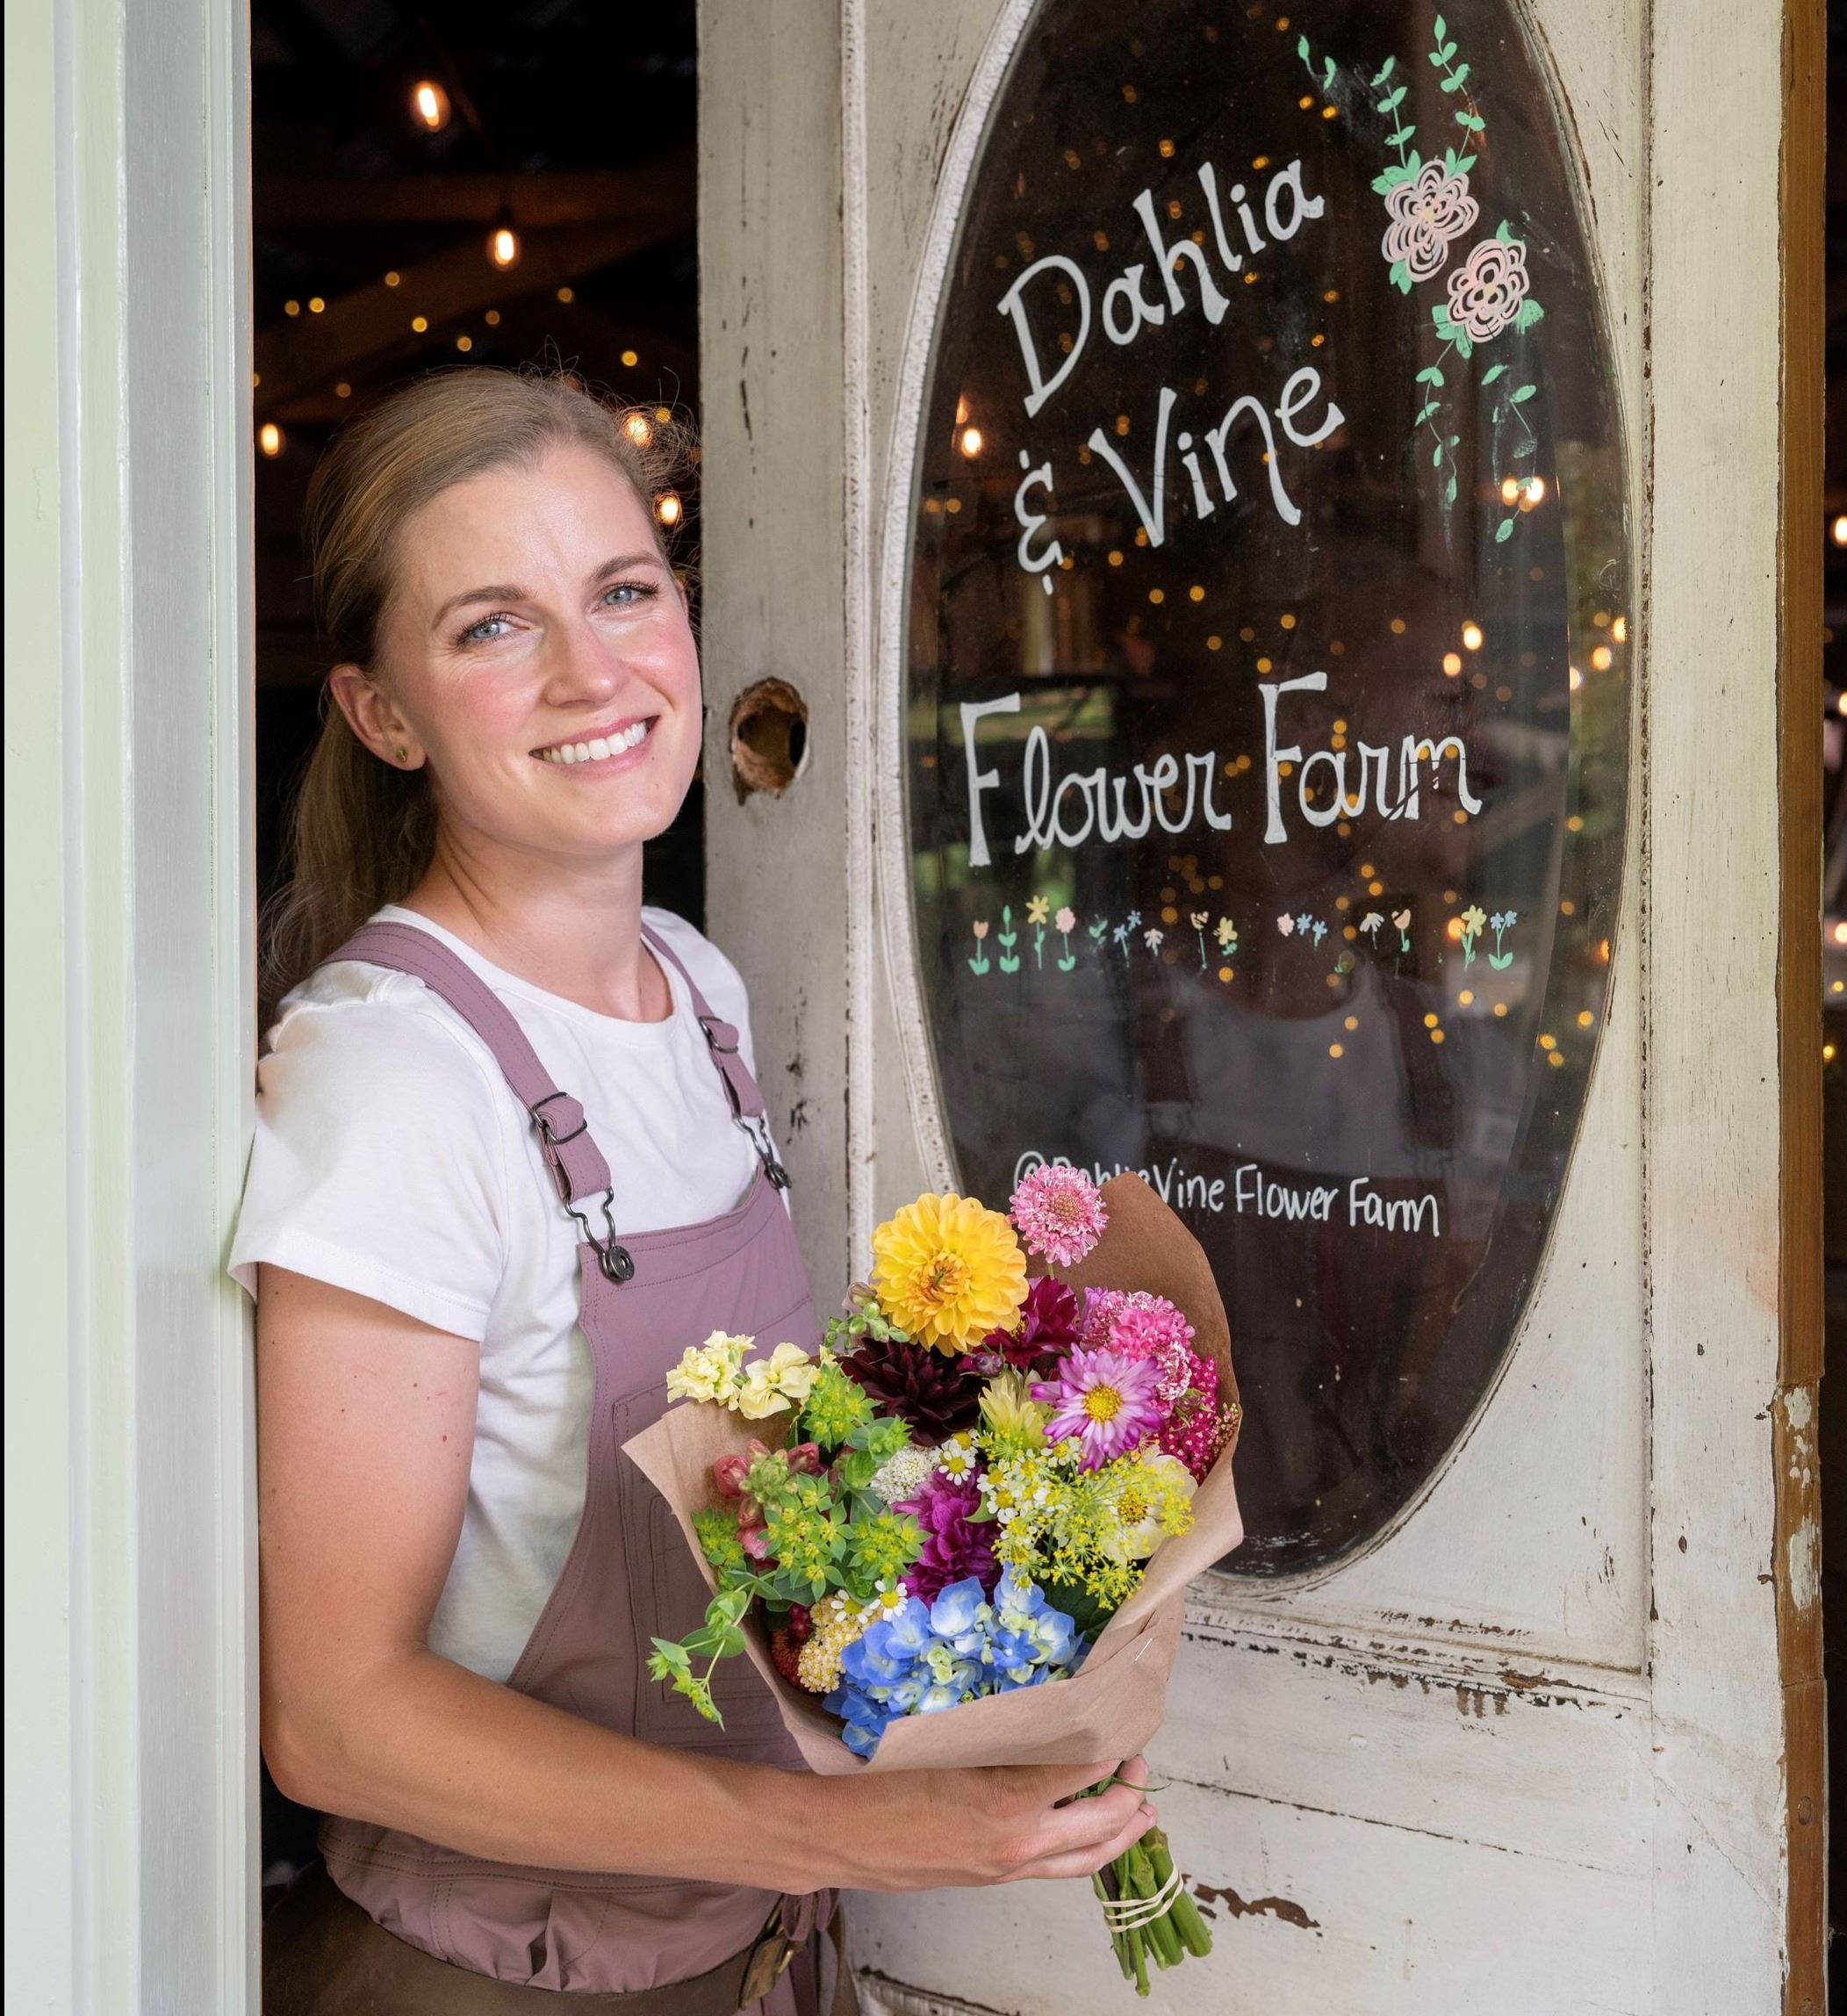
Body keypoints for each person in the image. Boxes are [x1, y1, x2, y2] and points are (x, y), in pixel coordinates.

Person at [235, 369, 1156, 2012]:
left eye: (624, 590)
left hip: (758, 1947)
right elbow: (335, 1715)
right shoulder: (392, 1084)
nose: (598, 672)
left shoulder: (695, 987)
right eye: (493, 626)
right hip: (498, 1977)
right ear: (385, 715)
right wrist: (843, 1834)